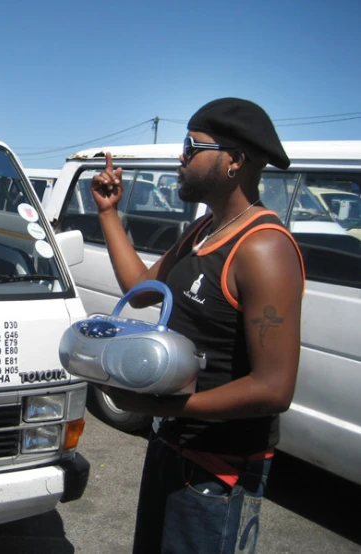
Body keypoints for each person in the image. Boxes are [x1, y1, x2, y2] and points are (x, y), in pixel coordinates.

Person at [90, 98, 304, 554]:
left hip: (219, 472)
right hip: (173, 449)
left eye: (192, 146)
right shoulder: (203, 231)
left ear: (235, 161)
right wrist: (109, 212)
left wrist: (168, 407)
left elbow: (273, 389)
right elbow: (143, 288)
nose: (180, 158)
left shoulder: (263, 248)